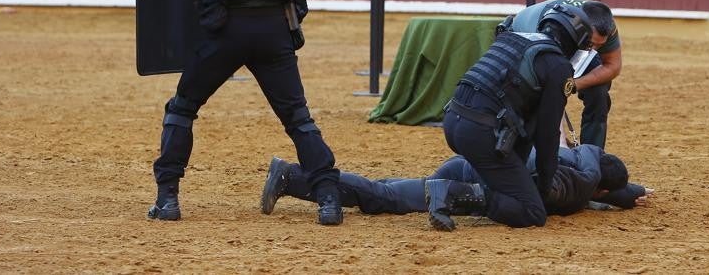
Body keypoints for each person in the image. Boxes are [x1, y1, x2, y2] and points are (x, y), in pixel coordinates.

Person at [146, 0, 343, 225]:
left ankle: (168, 199)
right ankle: (329, 200)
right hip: (273, 34)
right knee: (298, 119)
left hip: (223, 34)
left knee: (182, 108)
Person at [424, 3, 597, 230]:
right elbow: (548, 134)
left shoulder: (512, 38)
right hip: (480, 133)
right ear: (573, 42)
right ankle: (452, 192)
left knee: (505, 182)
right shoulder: (558, 66)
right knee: (533, 211)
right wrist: (545, 187)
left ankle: (454, 190)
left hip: (453, 120)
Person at [259, 143, 650, 220]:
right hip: (472, 180)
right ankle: (292, 176)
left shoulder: (573, 161)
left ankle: (294, 178)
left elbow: (591, 159)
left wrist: (627, 194)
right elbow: (595, 180)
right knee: (388, 197)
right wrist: (626, 195)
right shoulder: (581, 184)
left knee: (389, 192)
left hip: (468, 163)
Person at [504, 0, 620, 148]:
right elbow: (549, 86)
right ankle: (547, 146)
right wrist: (561, 146)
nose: (595, 50)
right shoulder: (554, 27)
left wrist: (573, 84)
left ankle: (592, 152)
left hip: (575, 43)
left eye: (600, 45)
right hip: (528, 41)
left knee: (599, 92)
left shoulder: (607, 27)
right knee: (541, 93)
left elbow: (613, 66)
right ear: (581, 28)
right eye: (592, 44)